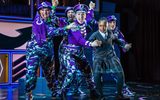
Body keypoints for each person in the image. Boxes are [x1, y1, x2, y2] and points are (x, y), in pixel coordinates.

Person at [25, 1, 74, 99]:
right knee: (31, 73)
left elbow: (51, 14)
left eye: (47, 10)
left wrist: (54, 6)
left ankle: (54, 93)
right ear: (39, 12)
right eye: (43, 10)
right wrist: (67, 27)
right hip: (34, 52)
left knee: (50, 75)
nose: (45, 12)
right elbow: (52, 32)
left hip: (47, 52)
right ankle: (29, 93)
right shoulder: (38, 21)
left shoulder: (51, 19)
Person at [56, 4, 101, 98]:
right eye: (79, 14)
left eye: (82, 14)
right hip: (68, 52)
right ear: (75, 15)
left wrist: (91, 8)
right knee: (71, 71)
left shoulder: (85, 21)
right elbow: (79, 40)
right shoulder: (73, 25)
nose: (81, 16)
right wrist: (91, 44)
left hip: (79, 52)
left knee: (88, 70)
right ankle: (62, 91)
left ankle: (92, 90)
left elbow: (89, 16)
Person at [88, 17, 132, 99]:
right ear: (98, 26)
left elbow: (117, 41)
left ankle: (119, 94)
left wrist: (124, 45)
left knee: (120, 74)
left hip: (111, 57)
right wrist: (93, 43)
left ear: (107, 25)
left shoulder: (110, 33)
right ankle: (100, 95)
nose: (102, 28)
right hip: (99, 58)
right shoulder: (95, 35)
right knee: (97, 76)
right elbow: (88, 43)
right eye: (100, 26)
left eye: (104, 26)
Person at [107, 15, 134, 97]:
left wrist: (124, 46)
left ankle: (123, 89)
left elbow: (121, 40)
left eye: (114, 22)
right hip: (100, 56)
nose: (112, 24)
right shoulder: (102, 31)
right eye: (110, 22)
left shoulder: (117, 31)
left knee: (118, 73)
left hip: (110, 56)